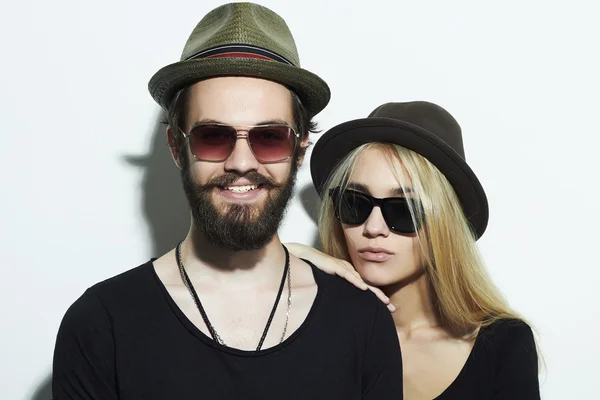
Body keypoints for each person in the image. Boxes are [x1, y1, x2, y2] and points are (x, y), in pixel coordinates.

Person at [51, 3, 403, 399]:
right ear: (176, 147)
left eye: (270, 137)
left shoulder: (360, 319)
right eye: (213, 136)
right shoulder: (102, 324)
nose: (241, 162)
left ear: (299, 149)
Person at [290, 101, 541, 399]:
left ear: (444, 222)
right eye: (355, 203)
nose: (373, 228)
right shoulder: (311, 329)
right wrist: (277, 261)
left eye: (402, 210)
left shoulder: (504, 343)